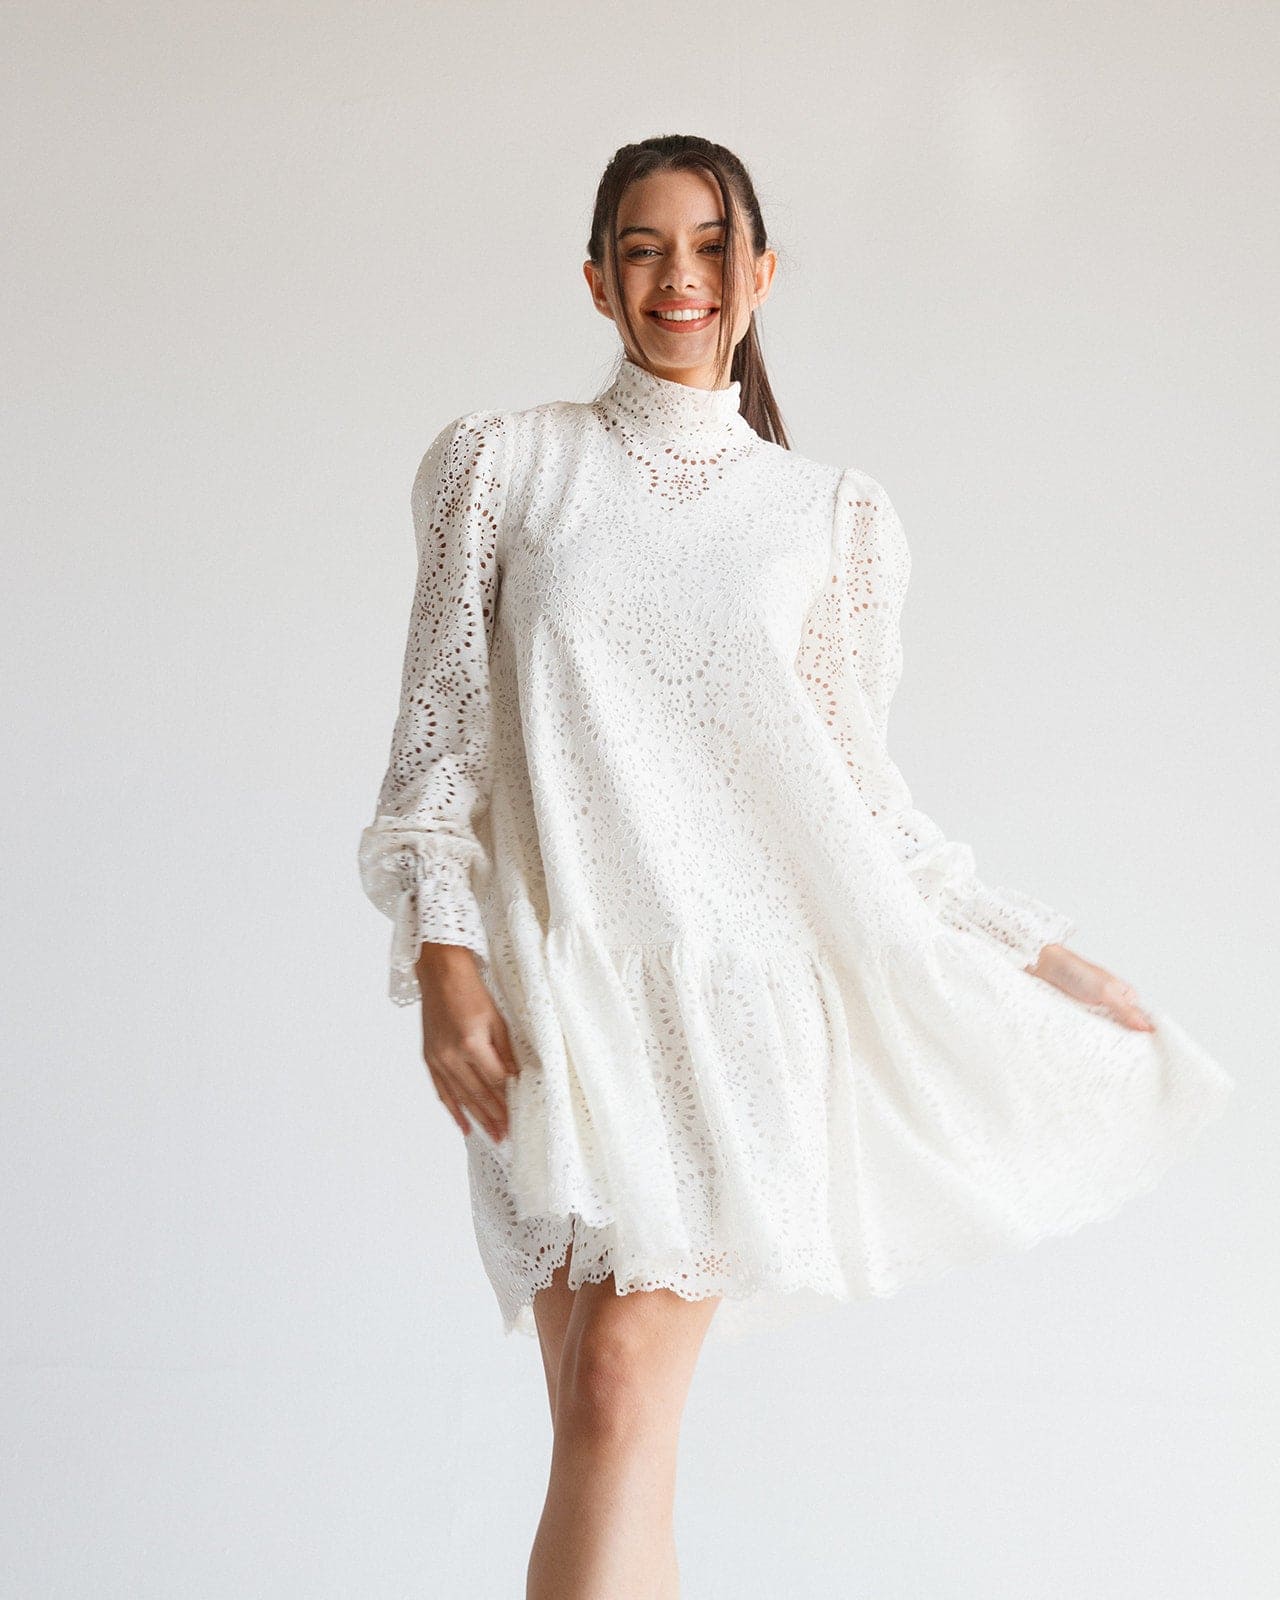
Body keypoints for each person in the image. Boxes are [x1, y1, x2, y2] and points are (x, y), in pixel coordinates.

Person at [357, 134, 1235, 1600]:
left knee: (617, 1396)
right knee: (600, 1423)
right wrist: (447, 958)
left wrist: (1030, 945)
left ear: (761, 272)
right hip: (555, 995)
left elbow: (859, 800)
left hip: (737, 1010)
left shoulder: (833, 520)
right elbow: (436, 745)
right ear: (596, 279)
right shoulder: (503, 466)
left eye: (711, 246)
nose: (680, 277)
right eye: (644, 248)